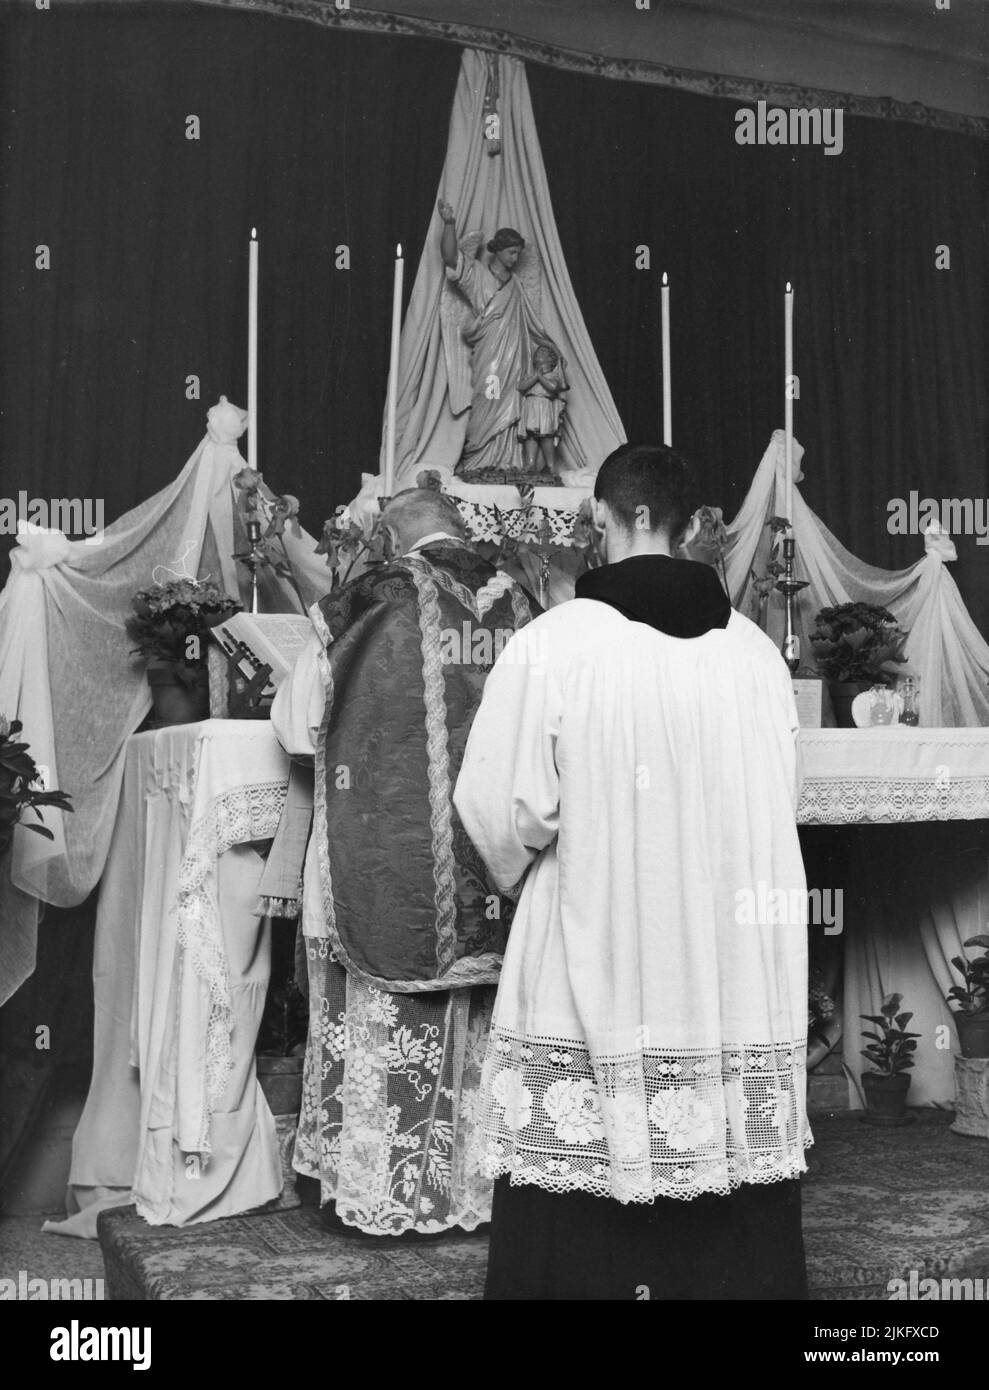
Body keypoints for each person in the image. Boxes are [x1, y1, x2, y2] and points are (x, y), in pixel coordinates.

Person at [454, 443, 811, 1299]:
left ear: (605, 520)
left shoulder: (554, 644)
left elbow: (500, 812)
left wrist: (534, 868)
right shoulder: (757, 657)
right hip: (726, 976)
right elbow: (778, 809)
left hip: (596, 951)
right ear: (690, 528)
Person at [271, 487, 539, 1236]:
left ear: (388, 535)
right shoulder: (524, 598)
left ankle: (394, 1192)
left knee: (393, 1028)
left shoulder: (372, 598)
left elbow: (298, 729)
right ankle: (485, 1191)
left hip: (387, 854)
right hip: (499, 864)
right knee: (484, 1021)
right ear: (459, 526)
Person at [438, 198, 551, 479]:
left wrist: (547, 345)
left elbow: (530, 322)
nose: (515, 259)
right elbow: (451, 257)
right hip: (489, 351)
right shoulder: (476, 273)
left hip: (515, 353)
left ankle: (509, 462)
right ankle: (479, 459)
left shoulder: (516, 285)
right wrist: (450, 223)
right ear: (498, 251)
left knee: (513, 402)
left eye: (517, 254)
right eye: (511, 252)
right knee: (488, 398)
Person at [517, 343, 569, 476]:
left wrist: (540, 377)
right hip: (530, 405)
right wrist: (536, 376)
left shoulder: (553, 375)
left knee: (546, 437)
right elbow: (522, 386)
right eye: (538, 352)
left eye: (543, 352)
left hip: (544, 406)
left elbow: (553, 387)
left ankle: (551, 466)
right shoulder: (530, 374)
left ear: (550, 360)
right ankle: (530, 463)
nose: (538, 353)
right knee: (530, 436)